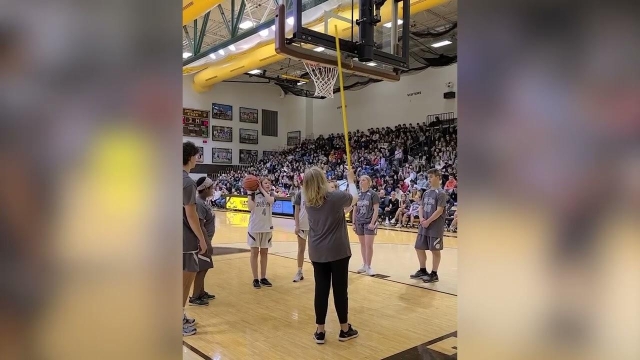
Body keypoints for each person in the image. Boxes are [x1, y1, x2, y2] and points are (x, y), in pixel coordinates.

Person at [303, 166, 359, 344]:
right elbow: (354, 198)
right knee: (340, 290)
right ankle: (344, 329)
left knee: (321, 290)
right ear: (322, 180)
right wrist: (350, 180)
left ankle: (320, 331)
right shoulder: (334, 197)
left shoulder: (307, 200)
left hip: (317, 251)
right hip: (338, 250)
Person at [182, 141, 208, 336]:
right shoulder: (187, 182)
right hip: (185, 239)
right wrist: (202, 238)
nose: (198, 159)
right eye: (197, 155)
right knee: (184, 282)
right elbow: (191, 215)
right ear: (190, 156)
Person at [410, 168, 448, 283]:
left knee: (435, 250)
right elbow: (421, 207)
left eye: (431, 177)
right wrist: (421, 218)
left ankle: (434, 273)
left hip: (435, 227)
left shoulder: (441, 193)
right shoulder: (426, 192)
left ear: (438, 178)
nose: (429, 179)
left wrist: (428, 221)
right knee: (419, 247)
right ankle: (422, 270)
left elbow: (439, 210)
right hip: (424, 225)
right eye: (428, 177)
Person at [189, 177, 216, 306]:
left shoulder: (204, 202)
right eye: (211, 187)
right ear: (205, 189)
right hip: (202, 242)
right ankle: (195, 297)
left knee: (204, 267)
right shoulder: (199, 203)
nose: (213, 189)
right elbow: (200, 226)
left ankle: (201, 292)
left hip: (205, 240)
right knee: (202, 269)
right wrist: (207, 243)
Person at [247, 178, 276, 289]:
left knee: (264, 253)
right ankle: (255, 279)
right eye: (266, 183)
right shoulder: (253, 194)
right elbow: (250, 207)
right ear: (260, 184)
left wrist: (262, 189)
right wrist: (250, 194)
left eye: (269, 183)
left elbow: (270, 201)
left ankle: (263, 277)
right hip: (254, 228)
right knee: (254, 253)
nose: (268, 184)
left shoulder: (271, 193)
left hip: (267, 228)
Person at [353, 175, 380, 276]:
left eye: (363, 180)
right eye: (360, 180)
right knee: (363, 245)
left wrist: (372, 223)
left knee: (369, 245)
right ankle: (364, 264)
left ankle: (369, 266)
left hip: (369, 222)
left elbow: (376, 210)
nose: (361, 182)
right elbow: (355, 210)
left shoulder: (373, 194)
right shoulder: (358, 195)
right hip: (359, 221)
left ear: (369, 182)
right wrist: (353, 223)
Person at [292, 179, 309, 282]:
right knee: (300, 249)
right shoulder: (300, 194)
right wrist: (297, 225)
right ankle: (299, 271)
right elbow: (296, 211)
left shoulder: (316, 192)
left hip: (314, 226)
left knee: (314, 251)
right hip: (302, 225)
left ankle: (318, 272)